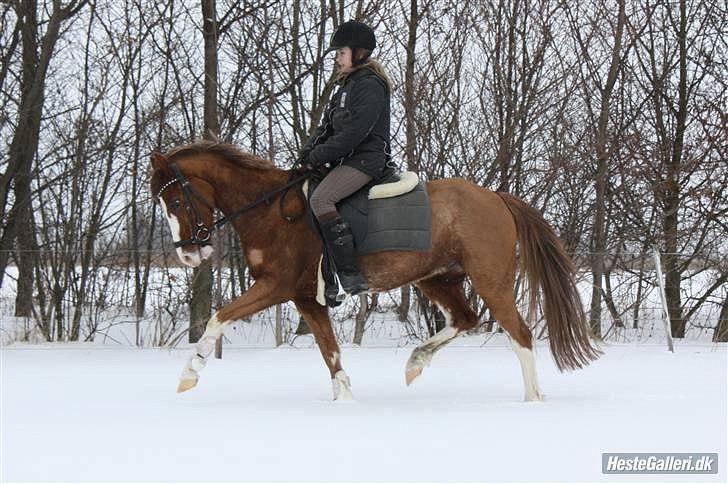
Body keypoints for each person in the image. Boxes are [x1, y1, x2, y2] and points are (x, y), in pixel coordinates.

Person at [296, 20, 392, 296]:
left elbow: (355, 133)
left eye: (341, 53)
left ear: (359, 52)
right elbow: (326, 128)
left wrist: (318, 156)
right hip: (343, 160)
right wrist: (307, 153)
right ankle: (322, 276)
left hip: (365, 161)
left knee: (321, 199)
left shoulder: (370, 86)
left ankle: (350, 273)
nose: (337, 59)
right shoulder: (344, 88)